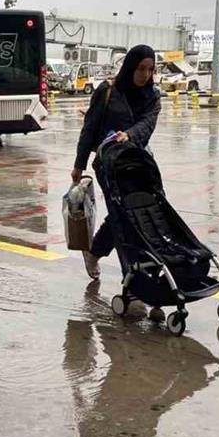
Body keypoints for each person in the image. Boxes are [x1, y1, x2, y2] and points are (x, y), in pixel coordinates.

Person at [71, 45, 161, 279]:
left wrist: (129, 135)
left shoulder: (153, 96)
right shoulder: (108, 91)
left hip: (138, 162)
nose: (146, 75)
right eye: (141, 69)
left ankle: (96, 251)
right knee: (121, 213)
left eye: (150, 69)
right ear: (130, 66)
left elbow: (147, 124)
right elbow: (89, 127)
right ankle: (132, 277)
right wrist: (79, 164)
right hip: (108, 163)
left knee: (141, 211)